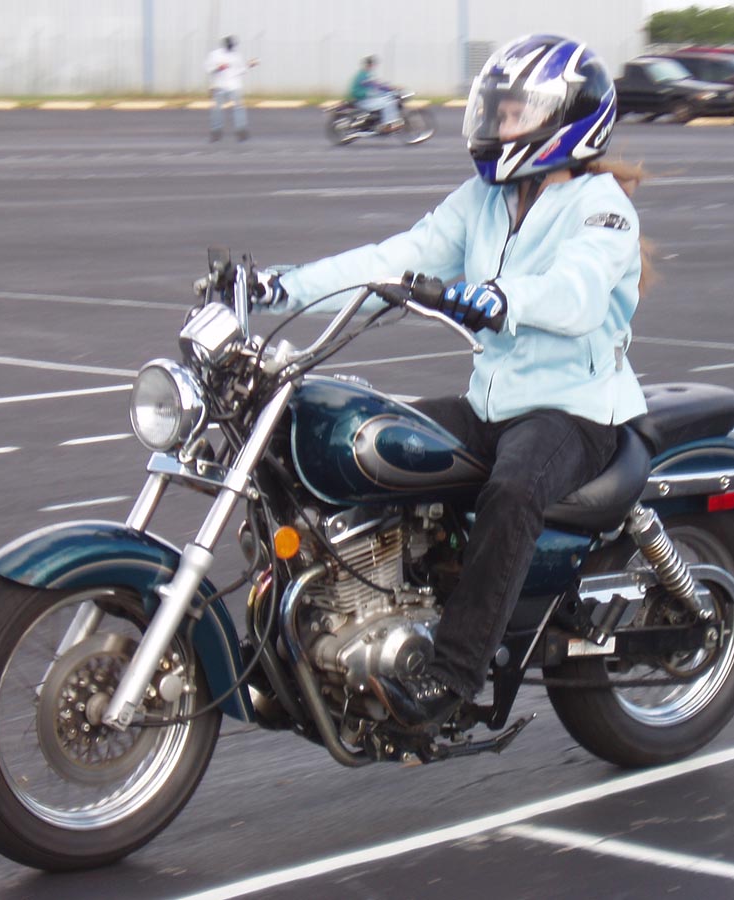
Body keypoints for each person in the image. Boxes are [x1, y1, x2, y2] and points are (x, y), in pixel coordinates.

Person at [251, 34, 651, 730]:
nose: (501, 124)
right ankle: (325, 631)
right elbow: (395, 258)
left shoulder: (602, 205)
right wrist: (278, 287)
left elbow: (578, 292)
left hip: (575, 412)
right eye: (497, 110)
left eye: (518, 113)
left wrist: (500, 297)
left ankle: (453, 677)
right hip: (491, 405)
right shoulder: (484, 200)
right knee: (362, 443)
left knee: (514, 489)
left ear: (569, 118)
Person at [204, 35, 257, 142]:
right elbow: (208, 68)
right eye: (229, 45)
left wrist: (249, 65)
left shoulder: (236, 55)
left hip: (234, 85)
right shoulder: (215, 55)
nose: (231, 48)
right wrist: (218, 68)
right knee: (217, 110)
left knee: (239, 109)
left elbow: (240, 70)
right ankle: (216, 132)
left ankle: (241, 132)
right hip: (220, 85)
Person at [348, 55, 401, 132]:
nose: (373, 66)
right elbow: (375, 85)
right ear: (369, 64)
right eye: (372, 64)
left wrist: (389, 88)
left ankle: (383, 122)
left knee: (387, 98)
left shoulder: (365, 73)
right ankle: (387, 125)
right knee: (389, 102)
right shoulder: (363, 75)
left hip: (365, 99)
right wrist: (390, 88)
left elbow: (376, 85)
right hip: (363, 100)